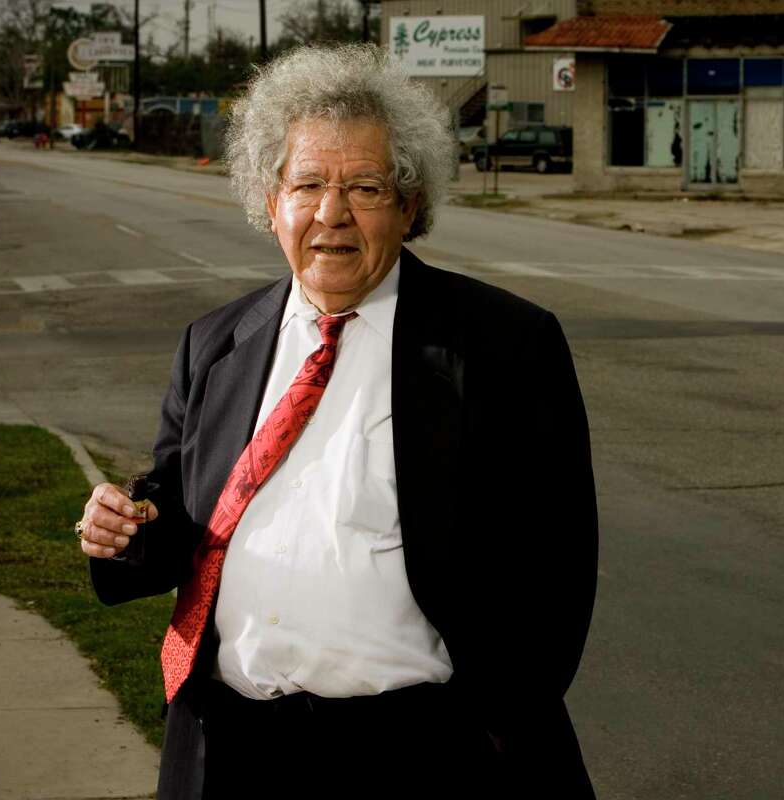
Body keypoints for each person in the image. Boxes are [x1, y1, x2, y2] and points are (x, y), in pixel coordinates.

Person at [75, 43, 598, 800]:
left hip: (425, 756)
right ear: (270, 200)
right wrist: (128, 529)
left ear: (410, 203)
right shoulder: (215, 344)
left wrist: (498, 725)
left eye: (365, 187)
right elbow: (181, 515)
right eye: (308, 184)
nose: (332, 214)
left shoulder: (505, 345)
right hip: (234, 752)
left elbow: (558, 565)